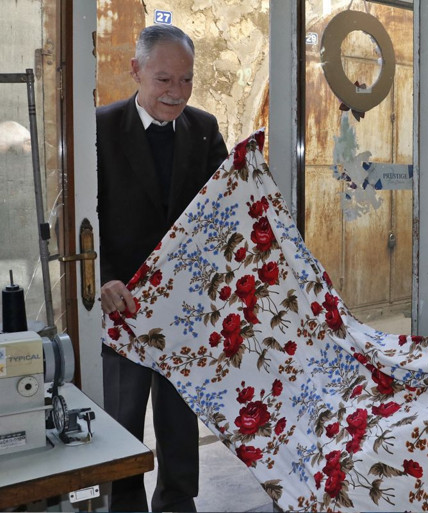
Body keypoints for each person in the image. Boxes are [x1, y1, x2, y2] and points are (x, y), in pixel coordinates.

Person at [97, 24, 228, 512]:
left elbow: (226, 210)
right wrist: (103, 277)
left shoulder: (204, 128)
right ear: (136, 71)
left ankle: (177, 502)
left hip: (183, 309)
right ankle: (124, 505)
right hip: (121, 305)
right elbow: (82, 222)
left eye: (186, 81)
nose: (176, 93)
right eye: (164, 80)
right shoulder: (100, 128)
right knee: (122, 422)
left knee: (178, 421)